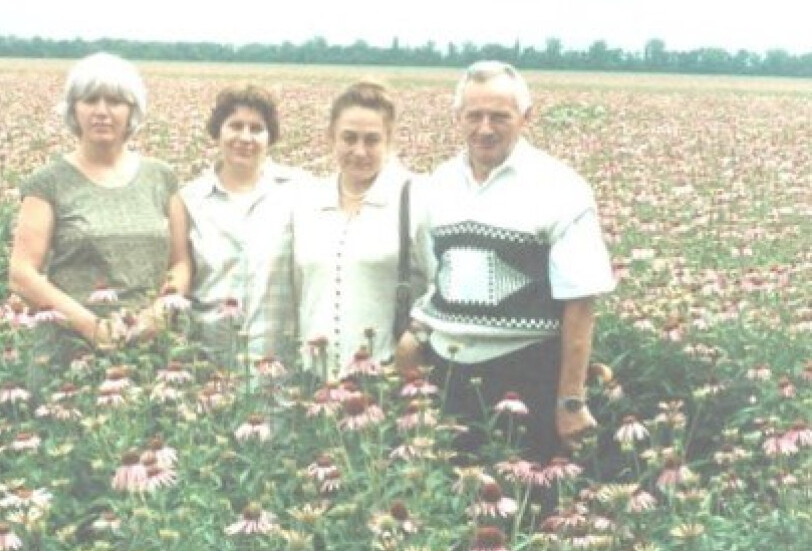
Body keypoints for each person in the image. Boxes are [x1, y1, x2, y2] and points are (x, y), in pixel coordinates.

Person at [400, 60, 616, 463]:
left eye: (499, 116)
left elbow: (581, 302)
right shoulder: (439, 185)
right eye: (474, 116)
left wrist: (570, 400)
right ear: (457, 118)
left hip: (527, 374)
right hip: (446, 375)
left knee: (524, 503)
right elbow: (438, 278)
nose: (485, 128)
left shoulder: (561, 188)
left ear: (525, 117)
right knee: (447, 499)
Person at [8, 52, 190, 355]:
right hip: (72, 348)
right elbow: (22, 273)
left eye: (115, 102)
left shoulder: (161, 177)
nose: (101, 112)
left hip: (155, 345)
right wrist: (91, 327)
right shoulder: (48, 182)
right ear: (74, 109)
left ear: (132, 112)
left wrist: (158, 315)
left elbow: (181, 262)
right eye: (90, 100)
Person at [293, 81, 425, 379]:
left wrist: (416, 336)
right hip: (315, 377)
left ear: (389, 140)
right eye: (349, 138)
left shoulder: (416, 197)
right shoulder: (307, 201)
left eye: (372, 140)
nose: (360, 151)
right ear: (331, 137)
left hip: (387, 376)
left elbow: (442, 284)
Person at [180, 85, 304, 365]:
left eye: (257, 128)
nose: (245, 137)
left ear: (270, 136)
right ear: (217, 131)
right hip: (208, 362)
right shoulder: (190, 200)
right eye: (235, 126)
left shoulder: (299, 191)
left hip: (280, 362)